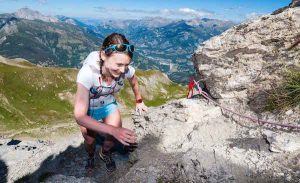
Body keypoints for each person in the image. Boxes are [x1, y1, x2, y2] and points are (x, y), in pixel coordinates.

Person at [74, 33, 148, 172]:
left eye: (126, 65)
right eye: (118, 64)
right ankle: (91, 156)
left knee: (110, 139)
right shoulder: (87, 73)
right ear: (103, 56)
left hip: (108, 103)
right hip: (89, 108)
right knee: (90, 141)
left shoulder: (125, 70)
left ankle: (105, 153)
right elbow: (79, 116)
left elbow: (133, 80)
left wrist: (139, 100)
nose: (122, 70)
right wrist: (113, 130)